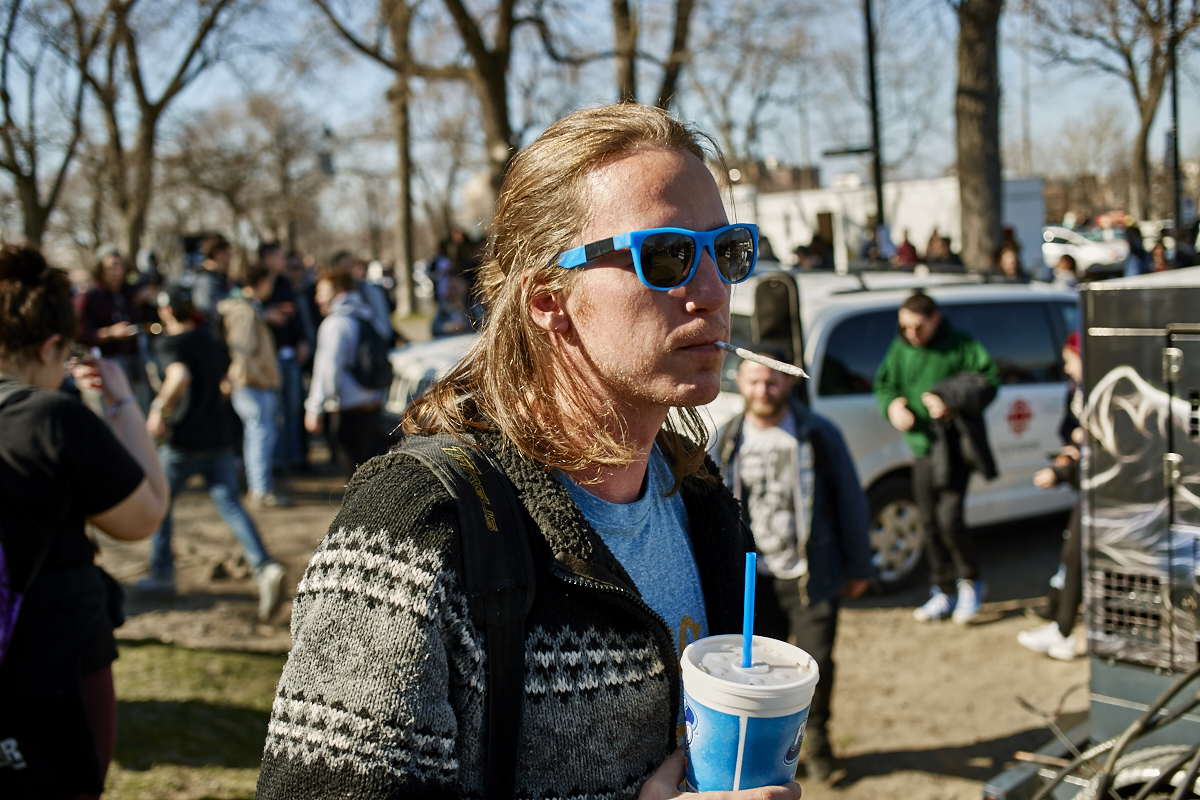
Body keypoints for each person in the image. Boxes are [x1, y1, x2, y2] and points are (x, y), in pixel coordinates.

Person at [257, 103, 795, 800]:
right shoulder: (417, 523)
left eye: (727, 250)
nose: (713, 290)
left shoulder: (698, 496)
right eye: (666, 256)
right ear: (548, 297)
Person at [0, 244, 168, 799]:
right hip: (48, 659)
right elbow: (145, 513)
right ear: (51, 346)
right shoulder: (48, 420)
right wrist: (120, 403)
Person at [713, 346, 874, 782]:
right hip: (752, 581)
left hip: (809, 575)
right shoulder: (727, 438)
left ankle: (818, 745)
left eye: (772, 379)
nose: (762, 388)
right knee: (759, 674)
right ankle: (768, 755)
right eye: (753, 379)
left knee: (814, 664)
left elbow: (850, 502)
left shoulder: (817, 434)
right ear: (740, 382)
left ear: (788, 382)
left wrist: (859, 567)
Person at [139, 285, 287, 622]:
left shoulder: (169, 343)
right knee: (231, 504)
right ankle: (264, 566)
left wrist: (159, 409)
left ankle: (162, 574)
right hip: (218, 438)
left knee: (161, 502)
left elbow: (179, 375)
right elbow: (224, 383)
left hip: (184, 443)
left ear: (165, 312)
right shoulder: (209, 341)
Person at [874, 291, 999, 624]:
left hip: (955, 448)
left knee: (950, 519)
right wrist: (893, 406)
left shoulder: (959, 344)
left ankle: (971, 581)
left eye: (918, 327)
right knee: (928, 521)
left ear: (935, 320)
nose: (911, 334)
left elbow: (989, 381)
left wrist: (952, 400)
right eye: (905, 327)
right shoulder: (901, 346)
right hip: (922, 448)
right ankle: (942, 589)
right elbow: (884, 385)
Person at [1018, 332, 1083, 661]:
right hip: (1085, 483)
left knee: (1075, 556)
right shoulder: (1076, 390)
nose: (1067, 370)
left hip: (1101, 491)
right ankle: (1061, 627)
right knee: (1073, 556)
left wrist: (1062, 472)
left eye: (1070, 362)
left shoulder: (1104, 391)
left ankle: (1064, 631)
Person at [303, 265, 388, 476]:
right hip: (373, 403)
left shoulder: (335, 324)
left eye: (322, 292)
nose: (317, 298)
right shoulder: (368, 316)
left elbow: (327, 370)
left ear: (339, 292)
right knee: (372, 471)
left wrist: (316, 408)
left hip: (347, 409)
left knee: (354, 476)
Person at [218, 265, 289, 508]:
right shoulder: (244, 312)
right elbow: (242, 353)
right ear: (260, 282)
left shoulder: (250, 309)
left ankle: (261, 488)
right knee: (259, 436)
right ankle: (260, 491)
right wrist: (259, 378)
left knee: (261, 435)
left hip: (255, 383)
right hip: (251, 385)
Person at [76, 245, 155, 407]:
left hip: (135, 357)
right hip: (109, 361)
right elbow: (82, 334)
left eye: (119, 266)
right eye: (111, 267)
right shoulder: (91, 296)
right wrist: (110, 333)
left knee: (141, 404)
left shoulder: (128, 291)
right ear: (100, 269)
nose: (116, 272)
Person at [258, 243, 310, 473]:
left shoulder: (285, 282)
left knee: (294, 410)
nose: (284, 261)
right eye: (279, 256)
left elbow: (294, 315)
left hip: (291, 355)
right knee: (276, 413)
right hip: (270, 358)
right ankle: (278, 462)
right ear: (267, 258)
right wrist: (267, 313)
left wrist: (301, 341)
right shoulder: (256, 283)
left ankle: (296, 458)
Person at [191, 234, 232, 333]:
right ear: (218, 254)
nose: (230, 259)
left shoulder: (218, 278)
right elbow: (208, 312)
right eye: (228, 254)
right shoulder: (205, 280)